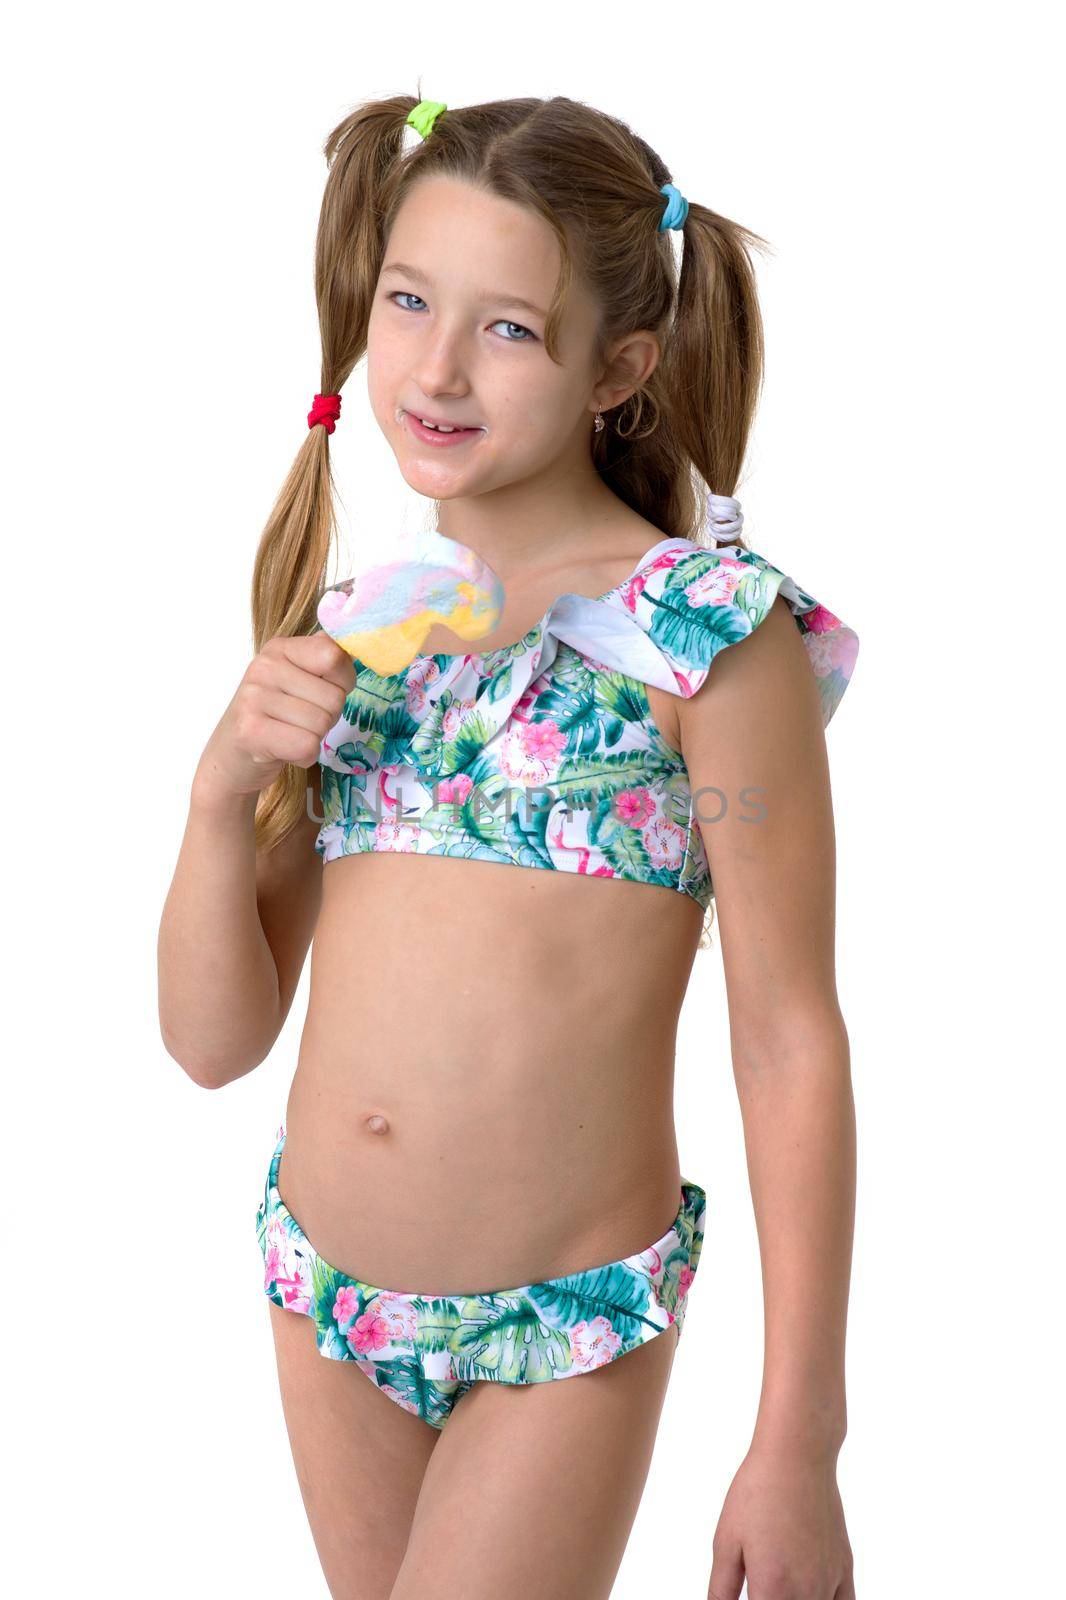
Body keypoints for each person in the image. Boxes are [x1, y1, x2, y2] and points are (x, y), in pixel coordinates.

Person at [158, 92, 860, 1600]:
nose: (434, 364)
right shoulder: (360, 631)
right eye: (408, 301)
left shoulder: (704, 645)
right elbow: (213, 1044)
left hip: (561, 1326)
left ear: (619, 367)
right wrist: (219, 797)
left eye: (508, 329)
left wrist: (798, 1436)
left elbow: (786, 1038)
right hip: (325, 1301)